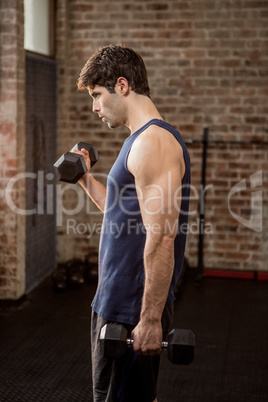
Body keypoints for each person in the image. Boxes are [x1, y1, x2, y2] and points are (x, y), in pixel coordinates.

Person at [75, 44, 191, 402]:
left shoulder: (153, 142)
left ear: (122, 86)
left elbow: (161, 237)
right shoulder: (137, 140)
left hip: (131, 308)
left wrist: (151, 319)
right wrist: (85, 180)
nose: (94, 107)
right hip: (115, 300)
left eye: (97, 95)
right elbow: (121, 210)